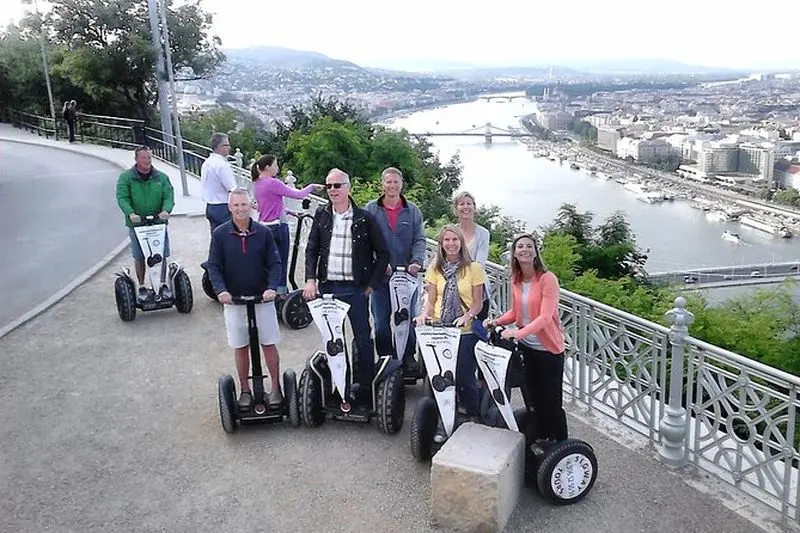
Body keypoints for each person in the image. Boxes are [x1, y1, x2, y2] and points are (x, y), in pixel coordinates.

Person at [303, 168, 389, 406]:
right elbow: (311, 249)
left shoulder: (364, 218)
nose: (333, 190)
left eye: (337, 186)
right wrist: (310, 279)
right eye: (329, 186)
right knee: (333, 341)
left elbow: (383, 254)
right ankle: (340, 386)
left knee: (362, 339)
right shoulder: (321, 214)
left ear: (348, 188)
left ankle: (365, 390)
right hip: (329, 288)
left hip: (356, 289)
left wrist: (371, 285)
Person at [484, 233, 568, 444]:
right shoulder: (517, 279)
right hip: (527, 348)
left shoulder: (547, 279)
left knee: (551, 401)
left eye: (529, 246)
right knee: (533, 398)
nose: (524, 249)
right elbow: (515, 313)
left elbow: (545, 317)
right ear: (514, 253)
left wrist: (517, 333)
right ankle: (541, 437)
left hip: (549, 350)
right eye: (520, 246)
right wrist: (497, 322)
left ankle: (560, 442)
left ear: (535, 252)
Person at [206, 187, 284, 409]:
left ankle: (276, 388)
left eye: (244, 205)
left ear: (251, 206)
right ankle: (245, 390)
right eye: (236, 205)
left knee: (269, 344)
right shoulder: (220, 235)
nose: (240, 209)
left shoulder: (263, 232)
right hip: (234, 301)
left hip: (262, 298)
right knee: (240, 346)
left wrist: (271, 288)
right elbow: (214, 266)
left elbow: (275, 263)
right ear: (230, 207)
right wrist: (221, 290)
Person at [415, 225, 484, 418]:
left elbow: (478, 305)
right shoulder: (434, 268)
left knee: (464, 377)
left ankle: (473, 415)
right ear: (441, 244)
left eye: (455, 240)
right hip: (439, 330)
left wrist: (466, 316)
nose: (451, 244)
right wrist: (423, 315)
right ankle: (442, 417)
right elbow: (431, 301)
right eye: (447, 240)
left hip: (463, 331)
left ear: (461, 243)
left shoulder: (474, 269)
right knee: (440, 377)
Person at [364, 167, 426, 371]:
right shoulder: (371, 209)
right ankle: (385, 359)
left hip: (406, 276)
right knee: (381, 322)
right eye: (388, 182)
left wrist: (416, 261)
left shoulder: (412, 210)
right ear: (382, 184)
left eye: (395, 182)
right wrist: (379, 264)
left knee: (406, 319)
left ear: (401, 185)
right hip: (381, 278)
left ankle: (408, 357)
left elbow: (419, 239)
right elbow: (365, 242)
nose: (392, 186)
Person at [252, 155, 323, 294]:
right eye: (276, 164)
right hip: (278, 227)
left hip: (263, 226)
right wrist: (312, 187)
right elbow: (298, 195)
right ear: (267, 167)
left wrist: (291, 212)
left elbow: (265, 207)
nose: (277, 168)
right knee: (281, 263)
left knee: (269, 262)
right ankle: (280, 294)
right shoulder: (273, 183)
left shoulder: (257, 183)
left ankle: (270, 290)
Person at [116, 145, 174, 301]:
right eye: (144, 158)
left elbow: (169, 195)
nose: (147, 160)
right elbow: (122, 197)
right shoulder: (126, 178)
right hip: (137, 224)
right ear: (136, 159)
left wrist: (166, 210)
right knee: (139, 256)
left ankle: (162, 284)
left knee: (160, 254)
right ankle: (141, 286)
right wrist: (131, 213)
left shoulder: (161, 177)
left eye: (149, 157)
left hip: (158, 222)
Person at [454, 191, 491, 320]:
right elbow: (442, 258)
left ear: (474, 208)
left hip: (477, 287)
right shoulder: (451, 232)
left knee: (477, 330)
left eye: (469, 204)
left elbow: (480, 263)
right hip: (454, 288)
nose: (466, 207)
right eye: (461, 204)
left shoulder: (483, 233)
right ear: (456, 209)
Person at [201, 133, 237, 233]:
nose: (229, 148)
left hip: (210, 206)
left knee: (216, 237)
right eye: (227, 145)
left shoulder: (207, 163)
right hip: (222, 207)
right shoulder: (221, 165)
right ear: (220, 147)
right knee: (227, 238)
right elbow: (232, 188)